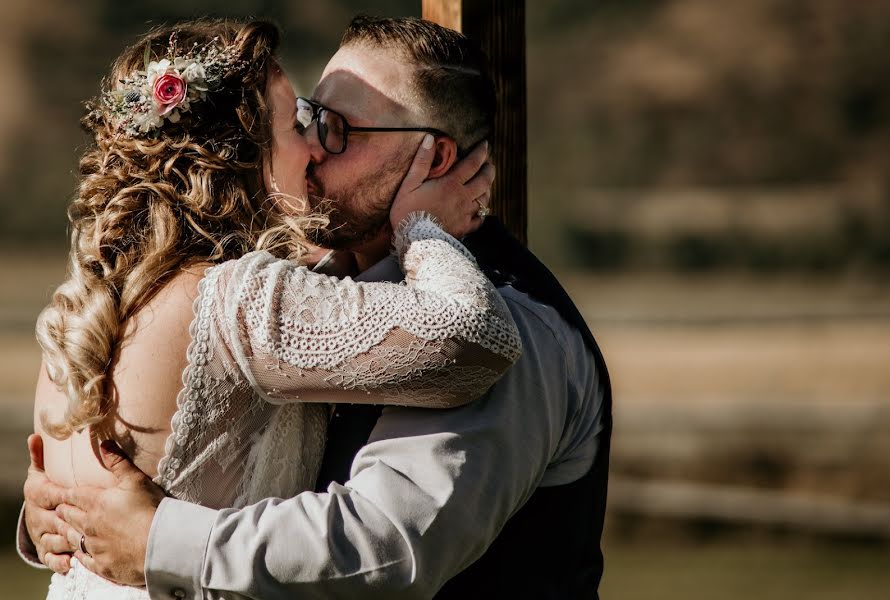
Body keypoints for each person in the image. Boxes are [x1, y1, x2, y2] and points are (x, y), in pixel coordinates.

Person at [22, 16, 613, 599]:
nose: (316, 148)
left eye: (342, 130)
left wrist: (159, 541)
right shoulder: (279, 286)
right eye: (310, 119)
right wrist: (61, 511)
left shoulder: (518, 320)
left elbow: (390, 546)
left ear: (434, 161)